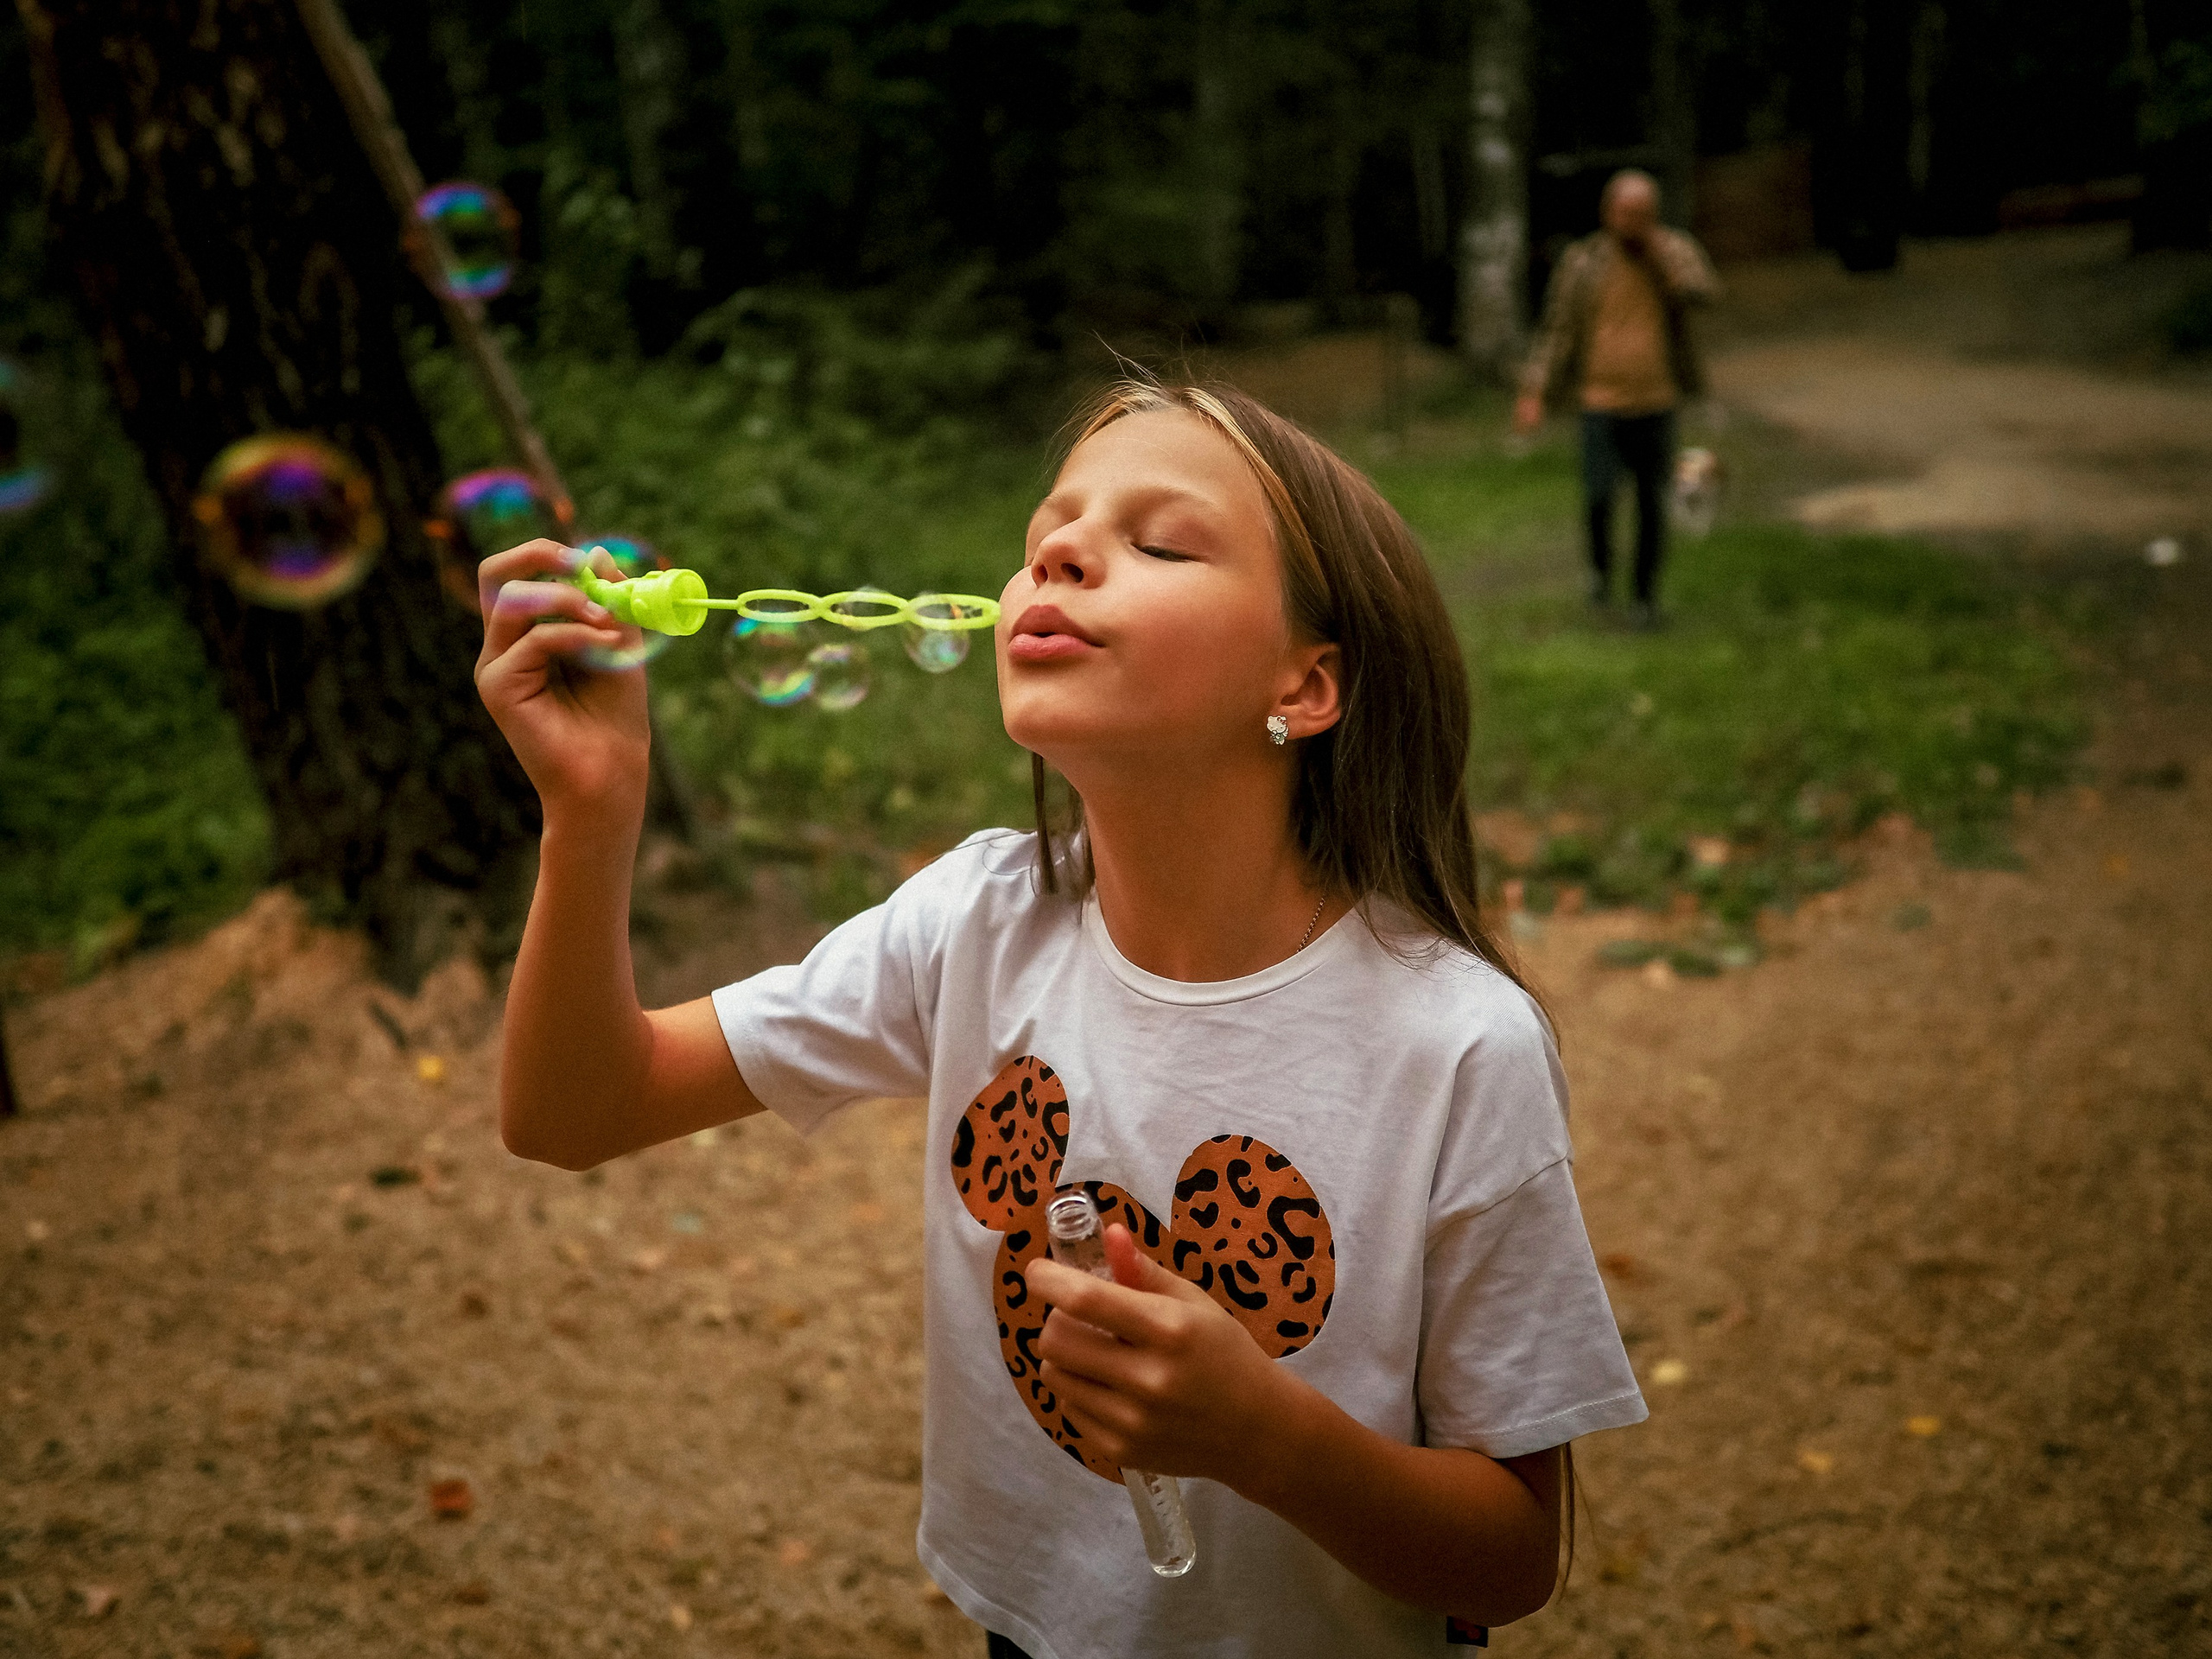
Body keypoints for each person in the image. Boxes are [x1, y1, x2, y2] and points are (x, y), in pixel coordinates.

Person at [474, 378, 1646, 1659]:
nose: (1060, 552)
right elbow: (572, 1111)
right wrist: (591, 812)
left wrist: (1264, 1436)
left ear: (1307, 684)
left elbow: (1511, 1558)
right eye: (1049, 531)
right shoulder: (976, 924)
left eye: (1160, 542)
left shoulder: (1456, 1046)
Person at [1515, 169, 1719, 627]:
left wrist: (1665, 263)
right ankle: (1600, 579)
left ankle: (1645, 597)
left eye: (1644, 215)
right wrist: (1535, 390)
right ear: (1608, 213)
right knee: (1599, 496)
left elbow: (1706, 294)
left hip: (1657, 401)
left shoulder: (1673, 251)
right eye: (1627, 214)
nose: (1634, 223)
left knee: (1652, 502)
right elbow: (1557, 330)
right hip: (1600, 402)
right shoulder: (1583, 262)